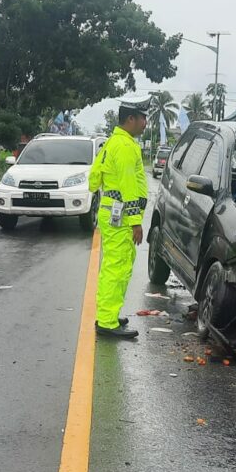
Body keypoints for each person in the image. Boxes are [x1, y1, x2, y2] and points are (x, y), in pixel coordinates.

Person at [89, 99, 150, 338]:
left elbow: (94, 179)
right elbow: (129, 186)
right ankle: (106, 322)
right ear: (130, 119)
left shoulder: (112, 142)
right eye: (143, 118)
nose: (145, 123)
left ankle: (109, 314)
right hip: (122, 216)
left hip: (112, 212)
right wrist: (136, 221)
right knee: (117, 268)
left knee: (115, 267)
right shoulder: (124, 146)